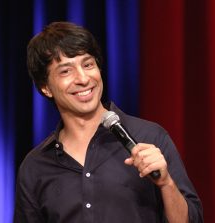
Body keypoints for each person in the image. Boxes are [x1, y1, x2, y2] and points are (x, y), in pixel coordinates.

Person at [14, 21, 203, 223]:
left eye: (88, 65)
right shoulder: (36, 166)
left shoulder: (150, 137)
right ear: (46, 88)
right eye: (66, 71)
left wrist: (166, 184)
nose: (83, 78)